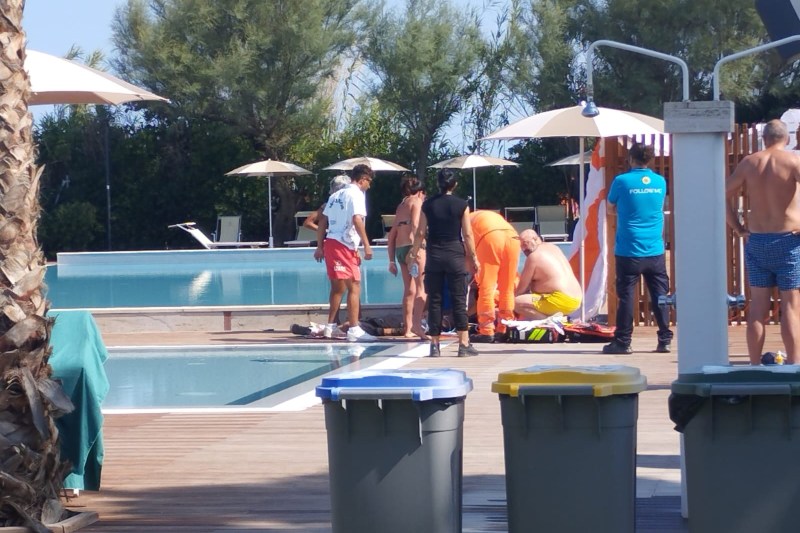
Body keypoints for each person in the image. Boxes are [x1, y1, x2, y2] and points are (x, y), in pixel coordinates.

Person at [726, 119, 800, 364]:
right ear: (786, 138)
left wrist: (738, 228)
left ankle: (755, 364)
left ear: (764, 139)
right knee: (791, 306)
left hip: (757, 240)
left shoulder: (750, 162)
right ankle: (794, 366)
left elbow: (721, 193)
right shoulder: (793, 161)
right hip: (788, 241)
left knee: (757, 306)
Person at [603, 142, 673, 355]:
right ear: (650, 160)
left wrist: (624, 212)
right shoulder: (660, 182)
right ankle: (665, 340)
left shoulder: (621, 181)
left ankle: (623, 342)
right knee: (660, 295)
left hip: (628, 249)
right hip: (655, 249)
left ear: (631, 159)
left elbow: (610, 208)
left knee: (626, 297)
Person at [407, 169, 479, 357]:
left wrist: (413, 253)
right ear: (454, 185)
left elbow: (420, 232)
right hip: (455, 254)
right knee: (459, 300)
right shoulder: (462, 205)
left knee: (435, 300)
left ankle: (434, 345)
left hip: (434, 255)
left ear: (438, 184)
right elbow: (467, 234)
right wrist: (474, 257)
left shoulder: (428, 205)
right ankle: (463, 344)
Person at [313, 164, 377, 342]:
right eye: (369, 181)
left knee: (337, 288)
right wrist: (367, 245)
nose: (369, 186)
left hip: (331, 243)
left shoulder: (335, 195)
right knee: (354, 285)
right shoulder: (356, 194)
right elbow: (357, 219)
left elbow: (323, 221)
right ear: (362, 179)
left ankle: (331, 326)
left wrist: (320, 246)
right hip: (344, 244)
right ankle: (354, 329)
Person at [468, 210, 520, 343]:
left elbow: (464, 250)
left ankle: (486, 331)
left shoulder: (462, 222)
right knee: (507, 288)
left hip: (490, 237)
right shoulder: (478, 216)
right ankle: (505, 328)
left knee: (486, 287)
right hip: (513, 237)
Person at [387, 175, 428, 339]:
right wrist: (420, 244)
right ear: (420, 192)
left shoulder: (401, 205)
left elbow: (392, 234)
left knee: (409, 290)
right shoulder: (416, 202)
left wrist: (391, 260)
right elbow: (417, 225)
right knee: (421, 289)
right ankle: (418, 326)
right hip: (413, 248)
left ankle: (408, 328)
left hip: (400, 249)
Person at [514, 229, 582, 319]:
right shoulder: (553, 247)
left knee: (515, 302)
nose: (523, 248)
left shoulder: (533, 256)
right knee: (533, 299)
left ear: (536, 239)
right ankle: (556, 319)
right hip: (576, 298)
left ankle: (549, 322)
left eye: (525, 243)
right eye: (521, 245)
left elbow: (520, 290)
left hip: (559, 299)